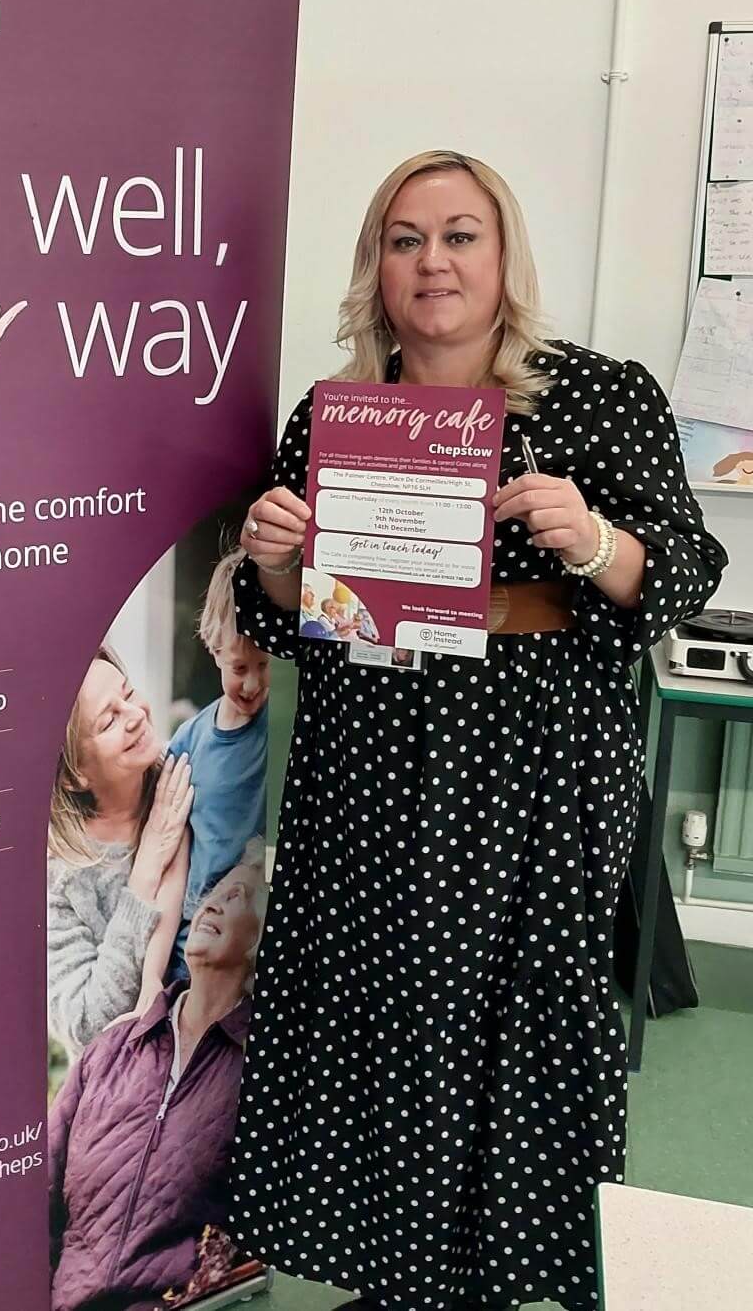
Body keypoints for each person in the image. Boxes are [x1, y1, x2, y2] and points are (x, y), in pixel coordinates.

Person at [232, 149, 726, 1311]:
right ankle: (393, 1272)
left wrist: (592, 539)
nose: (434, 261)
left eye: (461, 234)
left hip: (536, 770)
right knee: (377, 1011)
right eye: (406, 239)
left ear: (502, 257)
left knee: (514, 1013)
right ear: (377, 268)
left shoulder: (600, 396)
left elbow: (688, 571)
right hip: (373, 760)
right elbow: (297, 614)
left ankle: (491, 1281)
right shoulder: (336, 413)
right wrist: (273, 560)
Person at [48, 864, 266, 1311]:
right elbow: (41, 1187)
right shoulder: (110, 1049)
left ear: (260, 940)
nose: (216, 902)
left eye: (240, 896)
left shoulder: (260, 1072)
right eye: (216, 892)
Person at [48, 649, 194, 1057]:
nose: (135, 715)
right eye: (109, 719)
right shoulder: (56, 873)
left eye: (128, 693)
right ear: (75, 773)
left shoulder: (189, 779)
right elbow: (85, 1025)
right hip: (130, 1096)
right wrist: (146, 868)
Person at [164, 549, 269, 979]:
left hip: (253, 948)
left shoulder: (277, 729)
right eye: (239, 666)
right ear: (215, 651)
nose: (252, 683)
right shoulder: (188, 741)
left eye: (265, 666)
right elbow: (174, 849)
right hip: (192, 947)